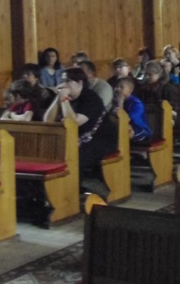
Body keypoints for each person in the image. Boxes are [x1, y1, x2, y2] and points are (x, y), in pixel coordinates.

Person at [53, 67, 118, 198]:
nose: (63, 85)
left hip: (102, 140)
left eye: (67, 81)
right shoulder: (67, 98)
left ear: (80, 83)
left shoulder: (91, 99)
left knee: (75, 156)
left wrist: (64, 99)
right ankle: (57, 190)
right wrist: (57, 98)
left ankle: (72, 193)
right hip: (80, 139)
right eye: (62, 81)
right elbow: (48, 119)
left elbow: (74, 123)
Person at [114, 76, 151, 144]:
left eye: (121, 87)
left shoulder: (136, 103)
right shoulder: (114, 100)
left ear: (130, 90)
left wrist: (120, 105)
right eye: (116, 86)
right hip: (125, 127)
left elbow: (128, 119)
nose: (118, 89)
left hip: (140, 130)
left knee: (122, 134)